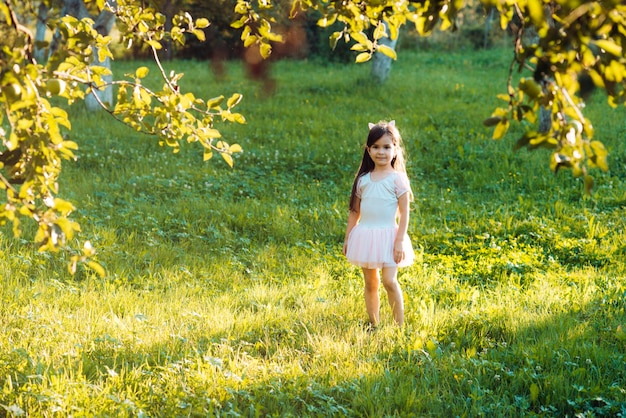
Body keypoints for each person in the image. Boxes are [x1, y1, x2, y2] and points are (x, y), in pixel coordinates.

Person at [343, 120, 414, 328]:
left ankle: (399, 327)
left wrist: (399, 240)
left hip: (390, 237)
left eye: (386, 147)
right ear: (368, 149)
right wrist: (348, 237)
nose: (381, 152)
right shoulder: (363, 179)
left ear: (395, 150)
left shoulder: (397, 179)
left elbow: (405, 212)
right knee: (370, 282)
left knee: (389, 281)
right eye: (375, 147)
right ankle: (374, 324)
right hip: (365, 235)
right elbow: (354, 212)